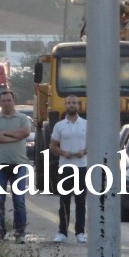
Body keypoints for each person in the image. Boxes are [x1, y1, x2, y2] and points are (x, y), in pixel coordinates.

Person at [0, 90, 32, 243]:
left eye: (9, 100)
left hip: (18, 164)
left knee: (19, 199)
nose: (6, 103)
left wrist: (3, 135)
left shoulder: (23, 118)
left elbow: (25, 133)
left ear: (14, 101)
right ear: (0, 102)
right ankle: (0, 232)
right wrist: (13, 136)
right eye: (4, 100)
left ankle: (20, 233)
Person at [50, 95, 88, 243]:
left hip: (81, 166)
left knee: (80, 201)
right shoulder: (59, 125)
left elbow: (93, 144)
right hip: (65, 166)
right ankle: (62, 232)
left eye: (74, 103)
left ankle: (80, 232)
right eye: (68, 103)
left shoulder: (86, 124)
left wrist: (84, 152)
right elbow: (52, 145)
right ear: (65, 105)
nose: (71, 105)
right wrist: (62, 152)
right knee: (64, 201)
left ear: (78, 106)